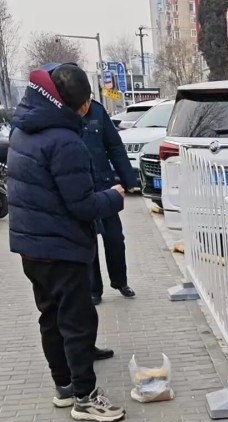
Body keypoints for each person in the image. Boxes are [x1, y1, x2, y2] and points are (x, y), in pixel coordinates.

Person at [7, 64, 125, 422]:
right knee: (77, 322)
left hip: (31, 247)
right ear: (83, 105)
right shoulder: (65, 141)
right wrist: (114, 196)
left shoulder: (23, 130)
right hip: (61, 247)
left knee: (51, 317)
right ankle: (85, 397)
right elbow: (82, 205)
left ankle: (64, 386)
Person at [81, 95, 138, 305]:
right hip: (82, 189)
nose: (85, 105)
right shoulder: (64, 112)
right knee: (89, 241)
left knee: (115, 238)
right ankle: (93, 289)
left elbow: (114, 146)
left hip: (104, 186)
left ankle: (120, 282)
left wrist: (128, 179)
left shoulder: (97, 111)